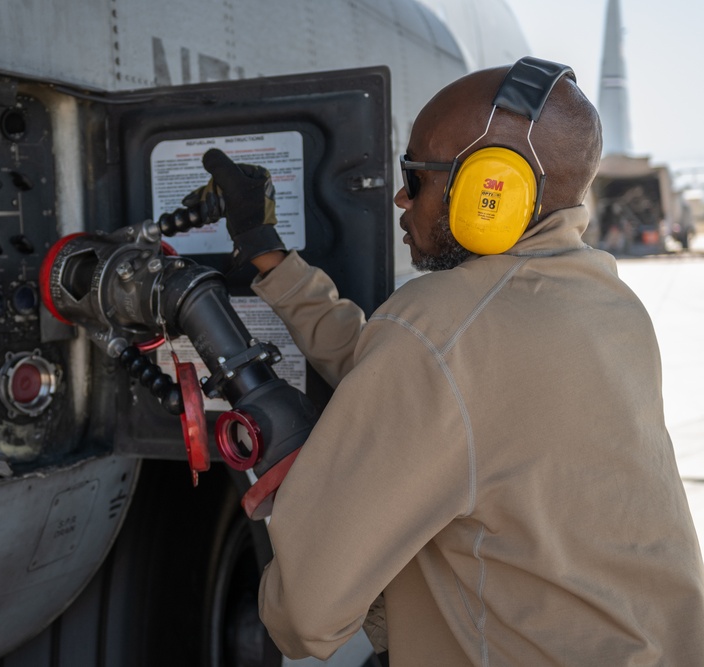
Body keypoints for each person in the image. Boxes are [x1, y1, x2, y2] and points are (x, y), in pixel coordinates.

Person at [194, 59, 704, 664]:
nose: (403, 198)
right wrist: (272, 260)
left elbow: (304, 620)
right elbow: (416, 366)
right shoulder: (610, 303)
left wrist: (309, 492)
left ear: (493, 190)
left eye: (417, 174)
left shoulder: (443, 326)